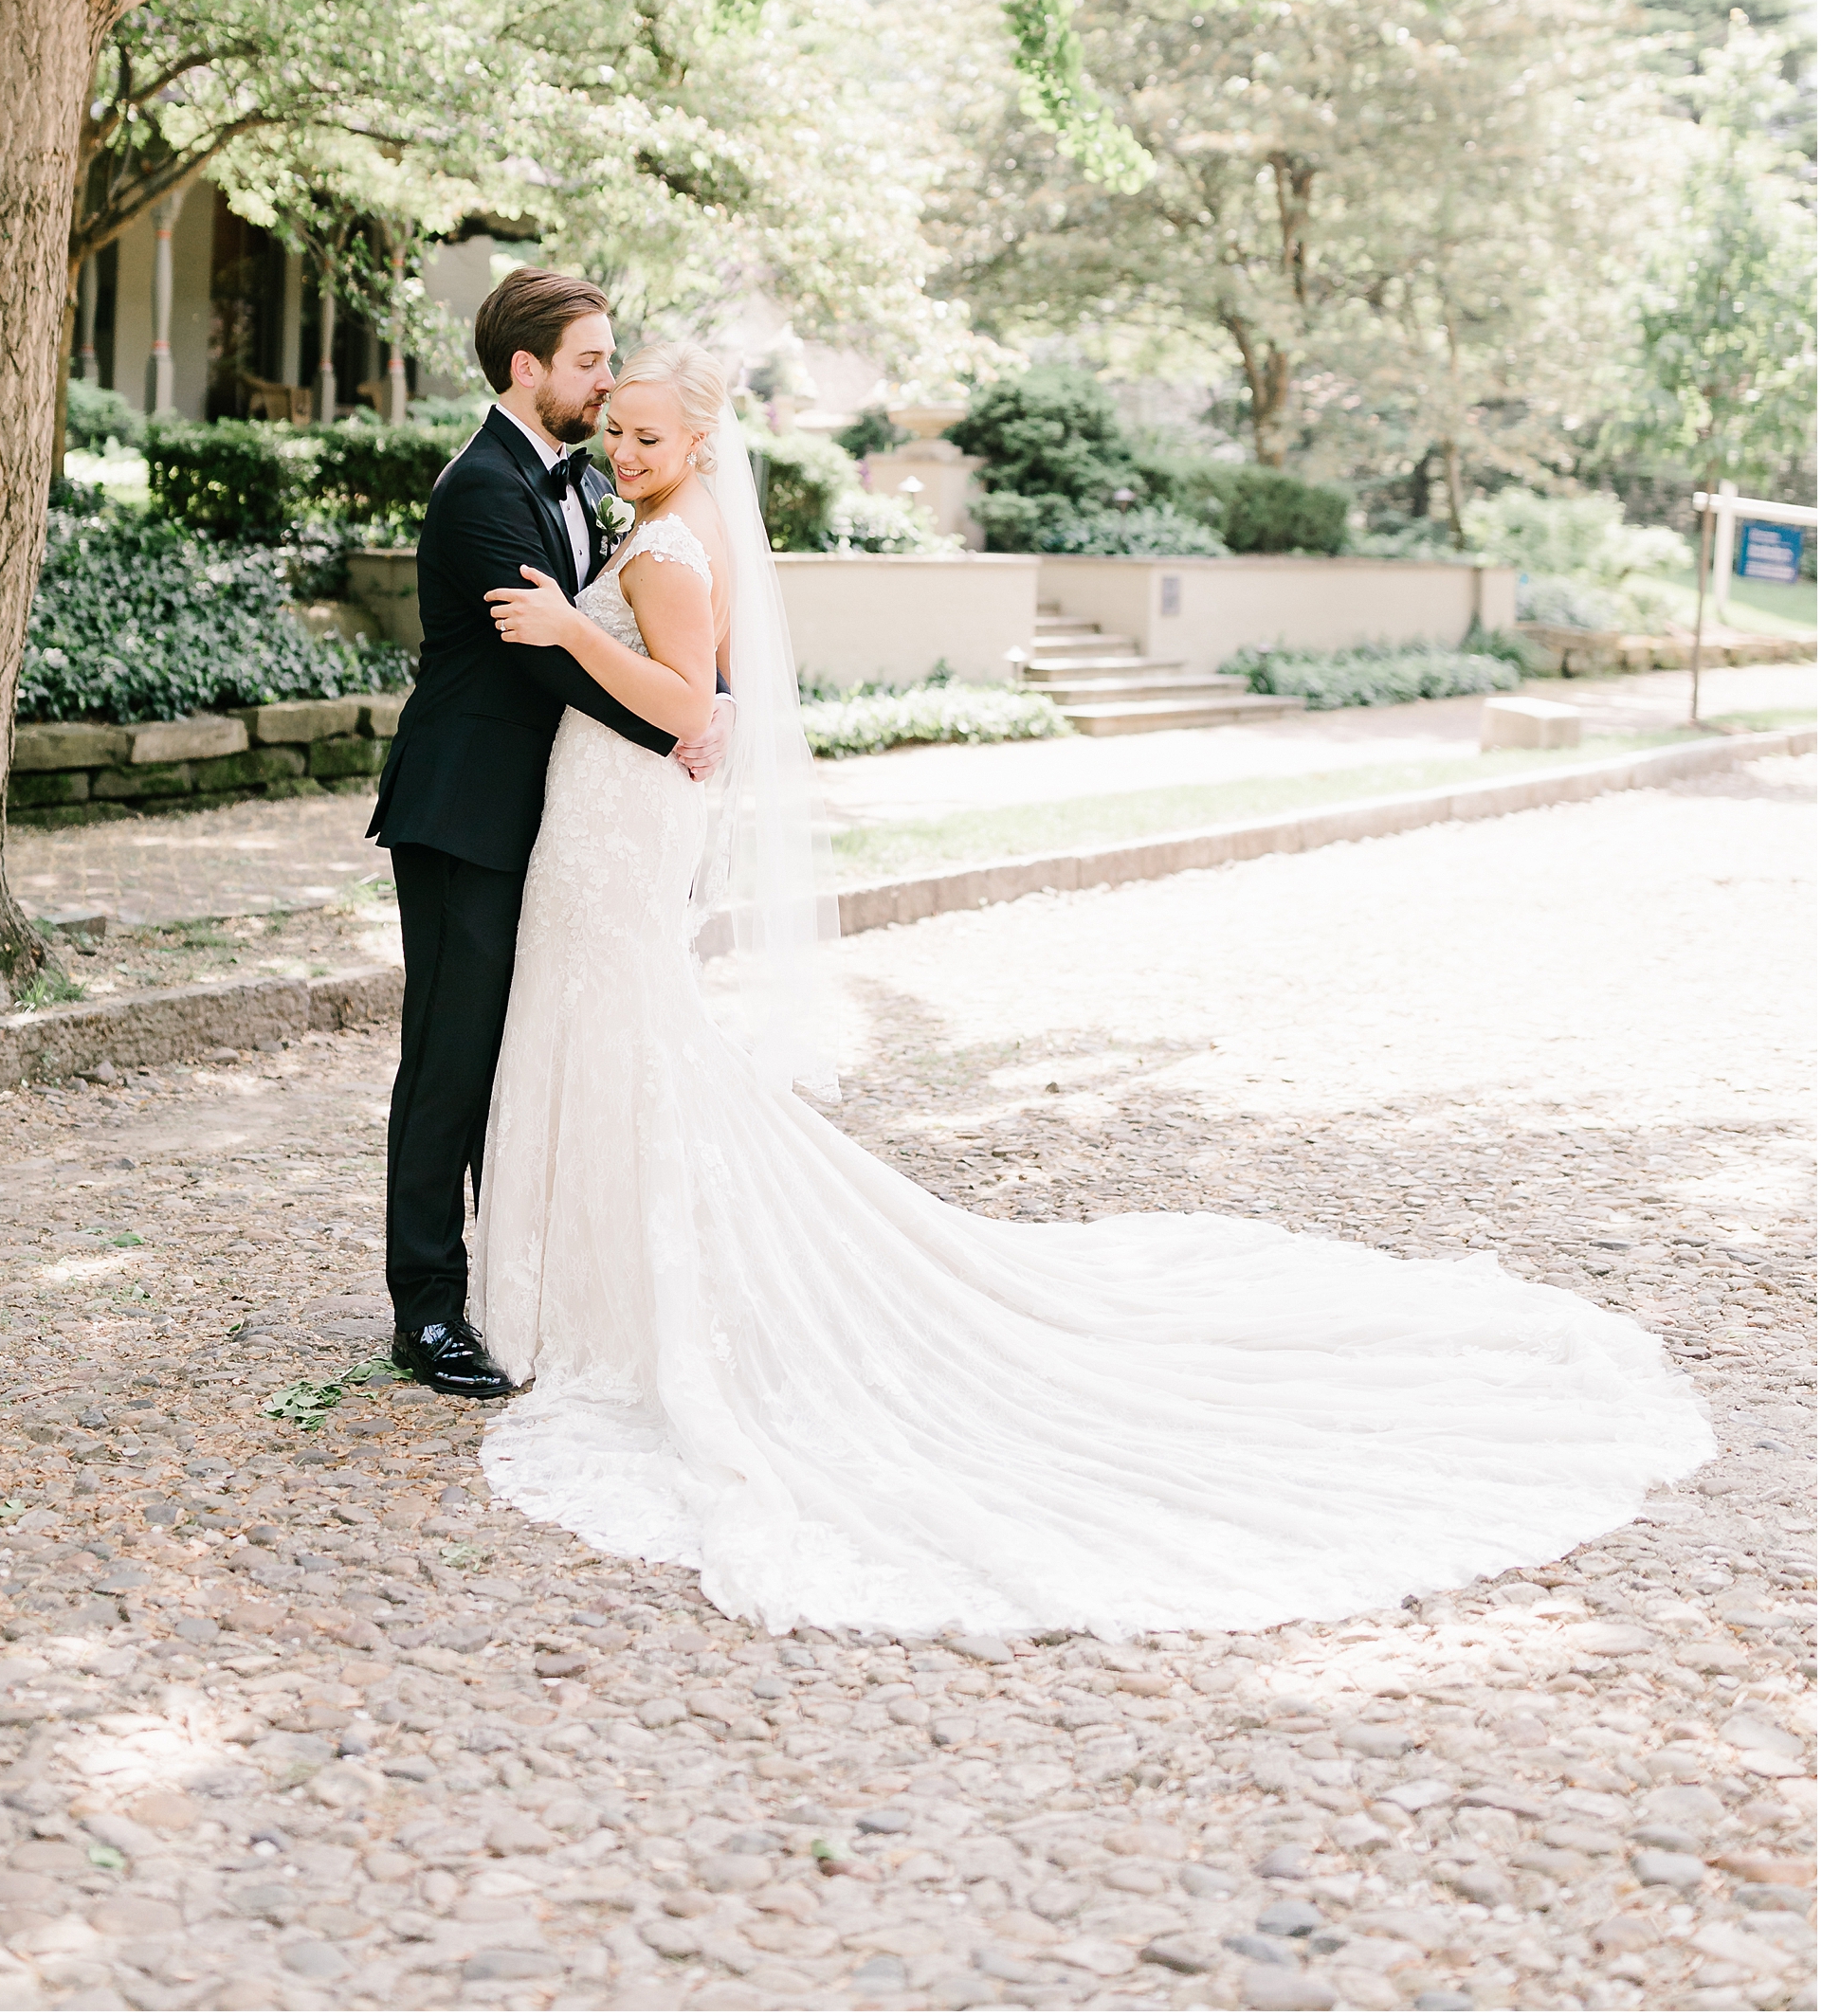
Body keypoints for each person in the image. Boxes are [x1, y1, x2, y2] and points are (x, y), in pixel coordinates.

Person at [470, 338, 1713, 1640]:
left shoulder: (669, 547)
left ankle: (616, 1298)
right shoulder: (671, 523)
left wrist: (565, 627)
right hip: (610, 827)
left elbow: (683, 703)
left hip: (619, 826)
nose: (625, 452)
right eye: (617, 432)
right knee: (621, 1034)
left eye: (648, 438)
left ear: (703, 447)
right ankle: (594, 1283)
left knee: (634, 1036)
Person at [369, 271, 728, 1398]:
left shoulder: (579, 481)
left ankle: (513, 1282)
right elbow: (542, 658)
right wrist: (683, 720)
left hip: (543, 816)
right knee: (448, 1058)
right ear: (528, 369)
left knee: (515, 1050)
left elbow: (612, 629)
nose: (608, 379)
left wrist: (701, 701)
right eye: (590, 362)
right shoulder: (482, 486)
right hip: (465, 813)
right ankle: (424, 1310)